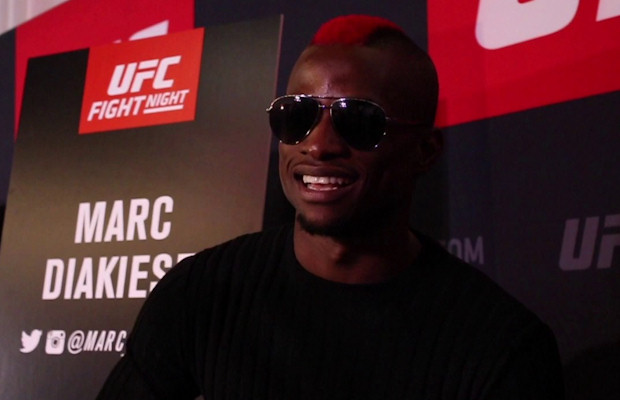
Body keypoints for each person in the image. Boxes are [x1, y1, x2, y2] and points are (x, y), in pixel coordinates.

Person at [97, 15, 564, 399]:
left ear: (424, 152)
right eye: (297, 116)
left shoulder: (500, 347)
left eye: (358, 120)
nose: (318, 146)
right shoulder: (202, 292)